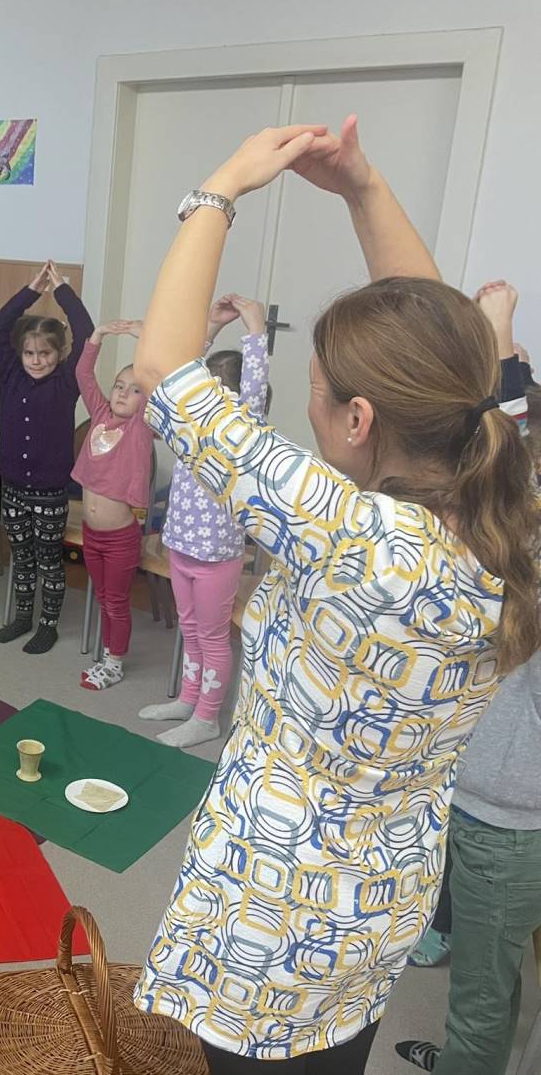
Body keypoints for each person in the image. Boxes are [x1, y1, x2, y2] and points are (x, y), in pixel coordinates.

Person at [129, 117, 540, 1074]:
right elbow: (449, 363)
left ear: (358, 420)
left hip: (270, 922)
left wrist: (223, 185)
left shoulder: (347, 533)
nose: (305, 412)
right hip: (377, 911)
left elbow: (161, 372)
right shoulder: (509, 509)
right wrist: (363, 187)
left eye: (313, 394)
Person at [394, 282, 541, 1075]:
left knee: (482, 994)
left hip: (507, 819)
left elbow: (508, 472)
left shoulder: (524, 545)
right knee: (490, 984)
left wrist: (500, 340)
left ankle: (466, 1062)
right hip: (481, 795)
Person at [139, 293, 273, 744]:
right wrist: (211, 328)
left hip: (217, 556)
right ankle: (188, 699)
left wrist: (255, 329)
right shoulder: (189, 429)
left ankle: (207, 717)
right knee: (190, 629)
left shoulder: (241, 437)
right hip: (179, 546)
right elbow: (183, 377)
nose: (199, 400)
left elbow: (253, 392)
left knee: (213, 637)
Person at [0, 259, 94, 654]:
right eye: (30, 353)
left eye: (45, 353)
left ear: (59, 353)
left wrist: (62, 289)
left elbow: (86, 333)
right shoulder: (12, 375)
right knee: (22, 557)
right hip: (13, 488)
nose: (36, 360)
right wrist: (30, 292)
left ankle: (48, 624)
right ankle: (22, 616)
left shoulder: (67, 381)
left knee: (49, 559)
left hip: (49, 492)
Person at [70, 319, 154, 688]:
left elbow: (164, 387)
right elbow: (83, 374)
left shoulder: (140, 429)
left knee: (116, 601)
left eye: (134, 390)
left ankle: (115, 662)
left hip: (120, 538)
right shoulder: (101, 416)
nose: (122, 394)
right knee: (104, 597)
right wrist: (98, 335)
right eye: (119, 385)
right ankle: (108, 652)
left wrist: (146, 344)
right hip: (92, 534)